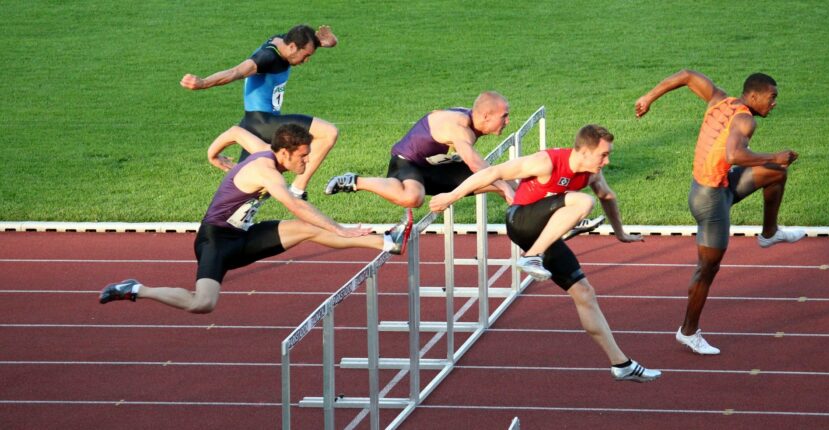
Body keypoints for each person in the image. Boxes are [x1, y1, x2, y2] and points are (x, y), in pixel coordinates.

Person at [430, 125, 660, 383]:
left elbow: (608, 196)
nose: (607, 161)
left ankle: (621, 364)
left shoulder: (591, 175)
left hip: (542, 235)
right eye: (603, 155)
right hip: (520, 220)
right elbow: (493, 171)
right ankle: (534, 254)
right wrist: (451, 196)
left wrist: (620, 233)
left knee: (584, 292)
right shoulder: (546, 162)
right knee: (584, 202)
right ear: (583, 152)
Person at [100, 124, 412, 313]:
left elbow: (235, 132)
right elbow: (295, 204)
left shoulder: (265, 150)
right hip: (216, 241)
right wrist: (341, 229)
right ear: (286, 152)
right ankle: (136, 289)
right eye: (303, 155)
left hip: (244, 237)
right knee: (203, 304)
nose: (307, 161)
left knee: (306, 230)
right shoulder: (266, 171)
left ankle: (388, 241)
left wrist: (212, 153)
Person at [635, 70, 805, 355]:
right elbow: (734, 156)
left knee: (776, 173)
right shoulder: (745, 119)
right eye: (772, 97)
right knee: (706, 270)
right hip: (710, 201)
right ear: (753, 96)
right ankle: (688, 332)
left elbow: (688, 75)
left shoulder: (719, 99)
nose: (774, 103)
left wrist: (648, 97)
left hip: (720, 186)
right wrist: (773, 155)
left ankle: (769, 233)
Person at [180, 25, 339, 200]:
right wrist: (203, 83)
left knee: (249, 192)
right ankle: (297, 189)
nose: (306, 60)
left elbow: (312, 41)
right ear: (293, 47)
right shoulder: (267, 57)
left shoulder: (287, 42)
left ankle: (225, 223)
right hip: (262, 123)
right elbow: (236, 72)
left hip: (256, 124)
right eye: (306, 55)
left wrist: (329, 42)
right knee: (328, 132)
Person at [323, 91, 517, 208]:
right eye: (504, 116)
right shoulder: (459, 127)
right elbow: (475, 163)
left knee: (510, 181)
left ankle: (532, 229)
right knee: (413, 198)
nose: (508, 121)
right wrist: (504, 189)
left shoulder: (474, 118)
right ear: (485, 116)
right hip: (407, 163)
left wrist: (506, 187)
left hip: (437, 169)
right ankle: (353, 180)